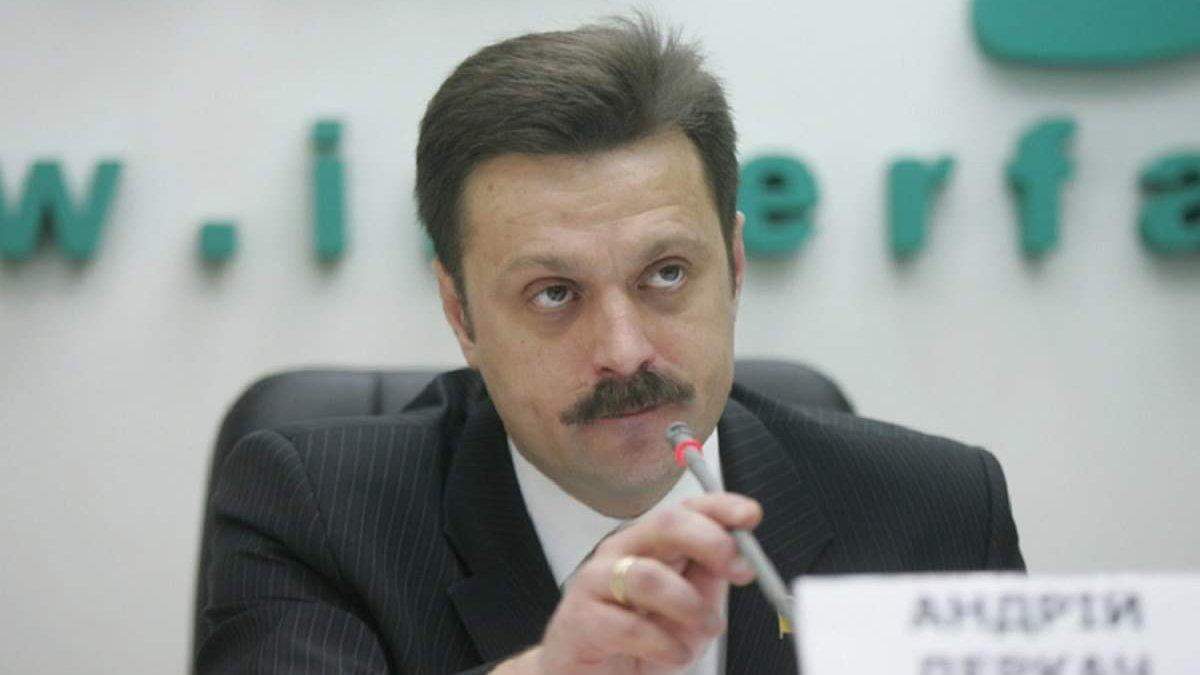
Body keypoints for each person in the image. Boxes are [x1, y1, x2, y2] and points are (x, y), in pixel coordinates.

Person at [196, 15, 1023, 675]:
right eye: (554, 293)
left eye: (666, 274)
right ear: (461, 314)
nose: (625, 353)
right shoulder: (317, 513)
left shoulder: (939, 509)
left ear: (734, 267)